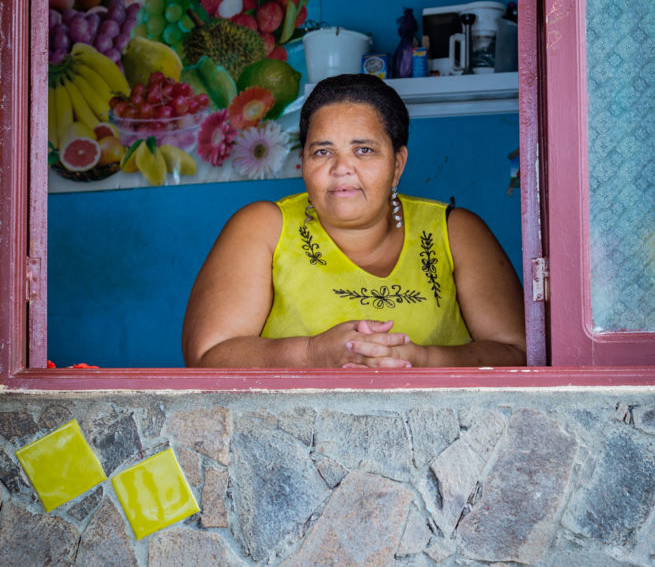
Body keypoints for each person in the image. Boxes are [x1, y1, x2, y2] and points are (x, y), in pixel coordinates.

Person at [183, 73, 526, 369]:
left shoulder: (455, 232)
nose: (341, 167)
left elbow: (519, 352)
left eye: (364, 150)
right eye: (322, 151)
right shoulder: (263, 227)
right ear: (303, 162)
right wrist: (311, 353)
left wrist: (423, 360)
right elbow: (209, 354)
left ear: (397, 164)